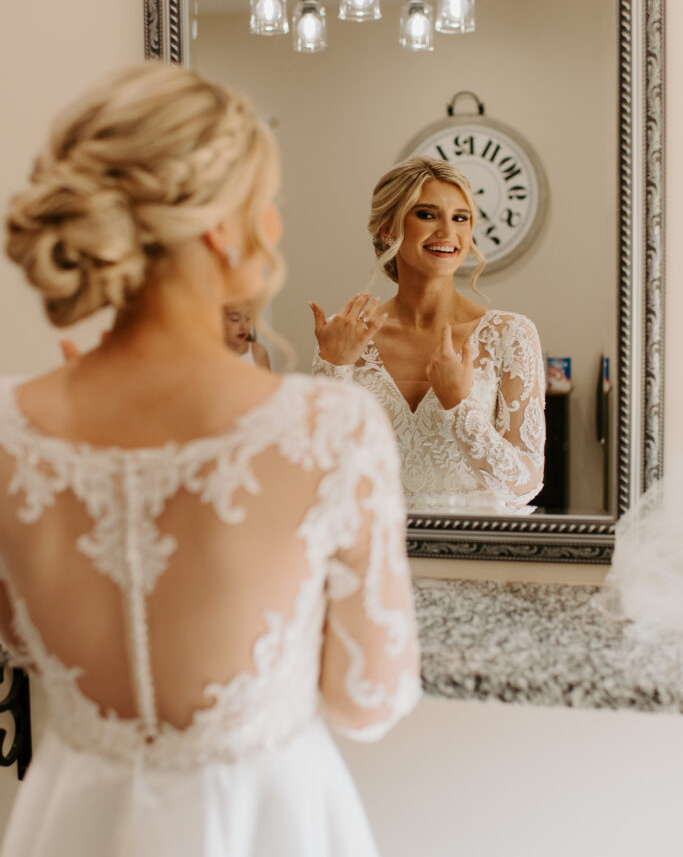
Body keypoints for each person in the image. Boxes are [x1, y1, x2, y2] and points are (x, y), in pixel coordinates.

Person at [0, 63, 420, 857]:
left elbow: (20, 638)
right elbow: (369, 698)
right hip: (266, 820)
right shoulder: (330, 429)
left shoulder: (8, 428)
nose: (275, 224)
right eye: (268, 201)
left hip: (71, 817)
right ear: (223, 228)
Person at [311, 157, 545, 510]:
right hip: (370, 548)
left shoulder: (511, 335)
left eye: (460, 218)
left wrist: (460, 406)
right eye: (427, 214)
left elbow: (525, 485)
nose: (448, 232)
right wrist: (334, 367)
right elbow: (318, 473)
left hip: (477, 553)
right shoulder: (345, 335)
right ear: (388, 229)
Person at [223, 301, 271, 368]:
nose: (244, 327)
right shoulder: (207, 357)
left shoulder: (258, 353)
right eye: (235, 319)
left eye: (248, 318)